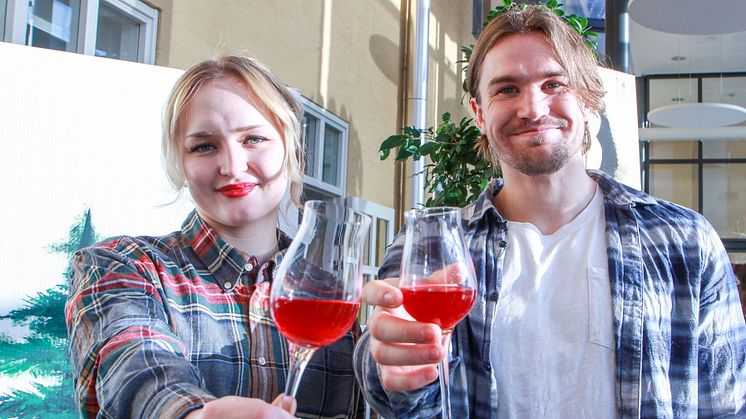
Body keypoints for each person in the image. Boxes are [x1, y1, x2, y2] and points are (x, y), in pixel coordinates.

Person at [354, 4, 746, 418]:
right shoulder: (432, 242)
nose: (533, 109)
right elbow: (389, 394)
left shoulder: (682, 239)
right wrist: (392, 366)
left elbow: (728, 405)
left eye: (554, 84)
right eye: (507, 89)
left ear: (589, 99)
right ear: (479, 113)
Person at [65, 55, 364, 418]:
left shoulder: (330, 293)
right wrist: (195, 415)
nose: (233, 166)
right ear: (180, 162)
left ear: (291, 149)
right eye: (205, 146)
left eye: (253, 138)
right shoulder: (123, 265)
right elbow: (134, 366)